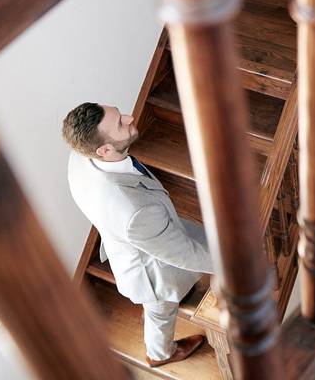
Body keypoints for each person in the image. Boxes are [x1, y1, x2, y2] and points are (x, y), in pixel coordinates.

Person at [63, 102, 214, 367]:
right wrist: (232, 266)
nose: (130, 117)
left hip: (134, 237)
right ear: (104, 150)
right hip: (153, 273)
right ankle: (160, 354)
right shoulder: (135, 211)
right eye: (120, 123)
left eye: (119, 113)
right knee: (161, 311)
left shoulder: (80, 157)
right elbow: (184, 255)